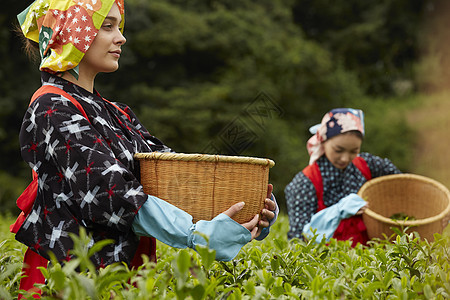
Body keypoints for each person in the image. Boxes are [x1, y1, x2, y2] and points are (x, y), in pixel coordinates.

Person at [11, 0, 278, 297]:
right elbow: (109, 192)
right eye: (107, 26)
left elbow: (173, 174)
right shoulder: (51, 107)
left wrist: (248, 206)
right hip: (75, 277)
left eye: (119, 27)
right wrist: (195, 234)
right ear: (73, 32)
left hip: (126, 272)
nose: (121, 37)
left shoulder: (117, 112)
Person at [285, 108, 400, 246]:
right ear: (324, 141)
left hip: (369, 258)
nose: (345, 158)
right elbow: (298, 238)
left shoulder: (367, 165)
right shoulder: (305, 182)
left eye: (354, 151)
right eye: (338, 150)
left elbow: (402, 182)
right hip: (326, 262)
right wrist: (338, 210)